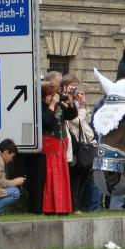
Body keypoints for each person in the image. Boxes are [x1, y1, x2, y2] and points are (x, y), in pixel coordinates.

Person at [64, 75, 101, 212]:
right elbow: (77, 121)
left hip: (87, 142)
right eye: (73, 86)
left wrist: (84, 106)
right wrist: (83, 109)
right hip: (77, 144)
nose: (76, 90)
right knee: (77, 177)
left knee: (86, 177)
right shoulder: (69, 104)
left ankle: (81, 205)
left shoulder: (78, 103)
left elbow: (88, 120)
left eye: (77, 86)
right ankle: (75, 206)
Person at [41, 80, 77, 214]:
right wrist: (52, 104)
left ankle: (63, 207)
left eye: (54, 94)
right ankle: (50, 207)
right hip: (49, 147)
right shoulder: (42, 107)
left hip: (59, 147)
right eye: (50, 95)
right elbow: (46, 121)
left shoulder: (58, 106)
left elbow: (72, 115)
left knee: (61, 178)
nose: (53, 97)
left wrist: (70, 102)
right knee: (51, 179)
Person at [0, 139, 24, 215]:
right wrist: (16, 182)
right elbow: (1, 184)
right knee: (15, 192)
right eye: (11, 156)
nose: (11, 160)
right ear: (6, 152)